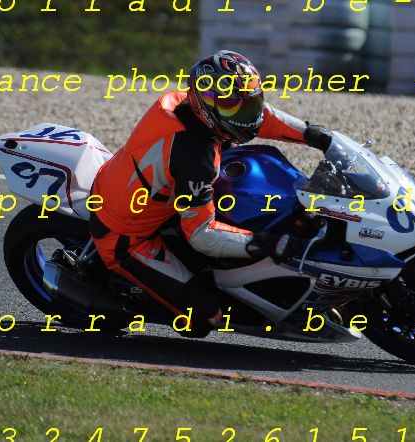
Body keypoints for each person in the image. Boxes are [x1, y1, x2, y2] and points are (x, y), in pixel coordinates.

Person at [89, 50, 332, 333]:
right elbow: (201, 234)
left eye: (249, 102)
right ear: (207, 106)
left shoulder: (186, 102)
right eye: (234, 107)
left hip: (139, 189)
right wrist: (263, 243)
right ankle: (144, 297)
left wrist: (312, 134)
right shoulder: (194, 156)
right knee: (205, 318)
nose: (246, 115)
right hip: (126, 235)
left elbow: (257, 117)